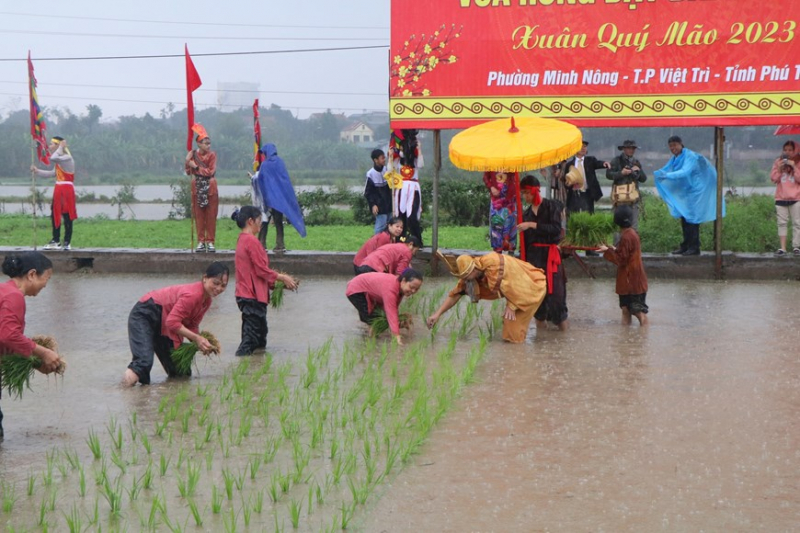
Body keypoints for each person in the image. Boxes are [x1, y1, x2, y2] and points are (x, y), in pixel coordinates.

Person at [121, 262, 229, 386]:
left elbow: (192, 325)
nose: (219, 288)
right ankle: (124, 392)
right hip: (146, 314)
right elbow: (172, 322)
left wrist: (201, 343)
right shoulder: (193, 295)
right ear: (205, 278)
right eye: (215, 283)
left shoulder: (206, 301)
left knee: (181, 372)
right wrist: (197, 338)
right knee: (143, 362)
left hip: (165, 322)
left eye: (223, 285)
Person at [0, 252, 61, 438]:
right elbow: (8, 335)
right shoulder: (13, 296)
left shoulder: (4, 290)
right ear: (32, 274)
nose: (46, 284)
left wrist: (34, 361)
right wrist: (43, 353)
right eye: (46, 278)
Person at [426, 253, 546, 343]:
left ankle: (516, 361)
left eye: (467, 277)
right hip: (516, 294)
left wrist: (512, 305)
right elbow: (456, 294)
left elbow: (516, 282)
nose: (467, 280)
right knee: (511, 327)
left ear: (473, 268)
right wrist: (437, 314)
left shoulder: (493, 263)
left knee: (512, 331)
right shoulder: (470, 278)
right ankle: (542, 335)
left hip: (530, 288)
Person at [232, 206, 298, 356]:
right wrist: (282, 277)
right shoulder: (251, 241)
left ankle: (256, 369)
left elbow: (255, 272)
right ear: (250, 221)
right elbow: (261, 270)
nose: (261, 223)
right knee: (251, 339)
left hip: (248, 294)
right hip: (251, 296)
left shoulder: (242, 239)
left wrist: (278, 284)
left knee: (260, 337)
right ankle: (242, 370)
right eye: (259, 220)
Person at [654, 136, 723, 256]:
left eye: (675, 145)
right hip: (686, 192)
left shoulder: (690, 156)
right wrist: (659, 174)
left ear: (681, 144)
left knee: (692, 219)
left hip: (696, 191)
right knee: (685, 218)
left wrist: (667, 175)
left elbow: (685, 171)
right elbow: (667, 169)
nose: (673, 148)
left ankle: (694, 247)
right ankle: (685, 246)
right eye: (671, 146)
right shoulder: (675, 158)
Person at [517, 175, 569, 331]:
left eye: (527, 193)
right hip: (534, 259)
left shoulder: (551, 207)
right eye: (523, 193)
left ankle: (563, 337)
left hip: (550, 257)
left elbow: (555, 229)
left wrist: (532, 225)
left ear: (535, 191)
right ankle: (541, 347)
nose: (525, 196)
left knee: (557, 300)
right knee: (538, 303)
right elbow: (525, 244)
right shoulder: (525, 215)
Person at [597, 205, 649, 326]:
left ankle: (642, 336)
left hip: (632, 281)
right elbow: (625, 254)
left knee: (638, 312)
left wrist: (607, 251)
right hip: (631, 281)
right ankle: (626, 340)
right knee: (626, 309)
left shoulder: (626, 236)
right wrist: (611, 249)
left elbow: (621, 260)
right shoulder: (630, 234)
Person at [346, 269, 424, 345]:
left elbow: (393, 308)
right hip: (356, 290)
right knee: (375, 319)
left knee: (380, 318)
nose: (413, 291)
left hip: (365, 290)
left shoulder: (399, 289)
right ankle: (370, 342)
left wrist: (396, 323)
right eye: (411, 287)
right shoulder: (391, 289)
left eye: (416, 289)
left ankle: (370, 338)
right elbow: (391, 313)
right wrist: (396, 336)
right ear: (403, 281)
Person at [254, 143, 307, 253]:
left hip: (268, 199)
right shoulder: (280, 163)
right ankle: (280, 244)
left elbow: (261, 181)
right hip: (279, 199)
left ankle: (261, 244)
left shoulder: (265, 165)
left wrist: (254, 179)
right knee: (278, 221)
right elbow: (284, 180)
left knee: (264, 221)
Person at [31, 136, 78, 251]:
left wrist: (61, 147)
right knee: (55, 214)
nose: (49, 146)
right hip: (58, 189)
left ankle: (67, 242)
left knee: (67, 215)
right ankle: (56, 240)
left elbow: (53, 157)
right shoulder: (59, 161)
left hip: (66, 189)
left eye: (52, 144)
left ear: (58, 145)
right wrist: (37, 171)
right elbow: (52, 174)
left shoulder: (67, 158)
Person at [185, 126, 219, 253]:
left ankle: (210, 241)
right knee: (198, 215)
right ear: (199, 144)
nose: (208, 146)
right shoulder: (193, 155)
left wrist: (196, 167)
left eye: (209, 143)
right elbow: (188, 171)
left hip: (210, 186)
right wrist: (187, 160)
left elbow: (210, 171)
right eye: (205, 143)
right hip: (197, 186)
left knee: (211, 215)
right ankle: (201, 241)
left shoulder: (212, 156)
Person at [607, 140, 647, 232]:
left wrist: (637, 171)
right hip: (619, 200)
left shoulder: (636, 162)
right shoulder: (616, 161)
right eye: (629, 148)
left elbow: (643, 179)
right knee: (618, 228)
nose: (631, 150)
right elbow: (609, 175)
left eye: (633, 148)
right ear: (624, 149)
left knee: (633, 228)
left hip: (633, 201)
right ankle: (618, 246)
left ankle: (632, 246)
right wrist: (622, 173)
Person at [770, 142, 800, 256]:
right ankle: (782, 248)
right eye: (785, 150)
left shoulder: (798, 162)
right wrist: (779, 168)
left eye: (790, 150)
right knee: (782, 223)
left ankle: (796, 246)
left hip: (796, 198)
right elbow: (773, 178)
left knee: (797, 223)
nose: (787, 152)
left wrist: (794, 166)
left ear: (795, 150)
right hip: (781, 197)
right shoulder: (778, 161)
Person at [564, 141, 609, 216]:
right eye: (581, 146)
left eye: (584, 146)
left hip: (587, 193)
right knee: (573, 215)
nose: (583, 148)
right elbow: (566, 182)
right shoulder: (569, 165)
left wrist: (604, 164)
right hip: (574, 194)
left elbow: (597, 163)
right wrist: (569, 184)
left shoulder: (590, 160)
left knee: (588, 214)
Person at [483, 171, 517, 253]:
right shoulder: (491, 161)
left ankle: (511, 258)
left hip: (510, 199)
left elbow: (516, 176)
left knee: (511, 227)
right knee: (496, 225)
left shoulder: (513, 160)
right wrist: (491, 187)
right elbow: (485, 177)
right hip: (496, 201)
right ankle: (497, 257)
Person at [355, 236, 420, 276]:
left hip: (365, 265)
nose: (414, 254)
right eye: (416, 251)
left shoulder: (398, 246)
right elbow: (399, 273)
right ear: (410, 244)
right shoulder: (407, 251)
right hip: (374, 269)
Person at [364, 149, 392, 235]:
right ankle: (376, 245)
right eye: (382, 158)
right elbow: (368, 193)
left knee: (391, 227)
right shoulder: (371, 174)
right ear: (375, 160)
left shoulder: (387, 170)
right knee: (380, 227)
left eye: (384, 158)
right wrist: (373, 205)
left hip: (389, 204)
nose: (384, 160)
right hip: (380, 206)